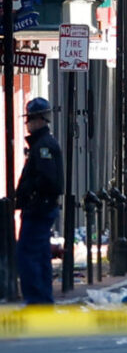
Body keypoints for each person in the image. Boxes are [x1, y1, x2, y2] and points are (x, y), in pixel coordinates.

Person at [15, 98, 64, 304]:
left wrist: (28, 193)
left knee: (28, 254)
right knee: (41, 254)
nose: (28, 124)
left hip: (39, 209)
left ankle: (36, 300)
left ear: (40, 120)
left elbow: (46, 179)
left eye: (30, 120)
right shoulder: (43, 144)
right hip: (40, 208)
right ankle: (43, 299)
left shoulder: (43, 146)